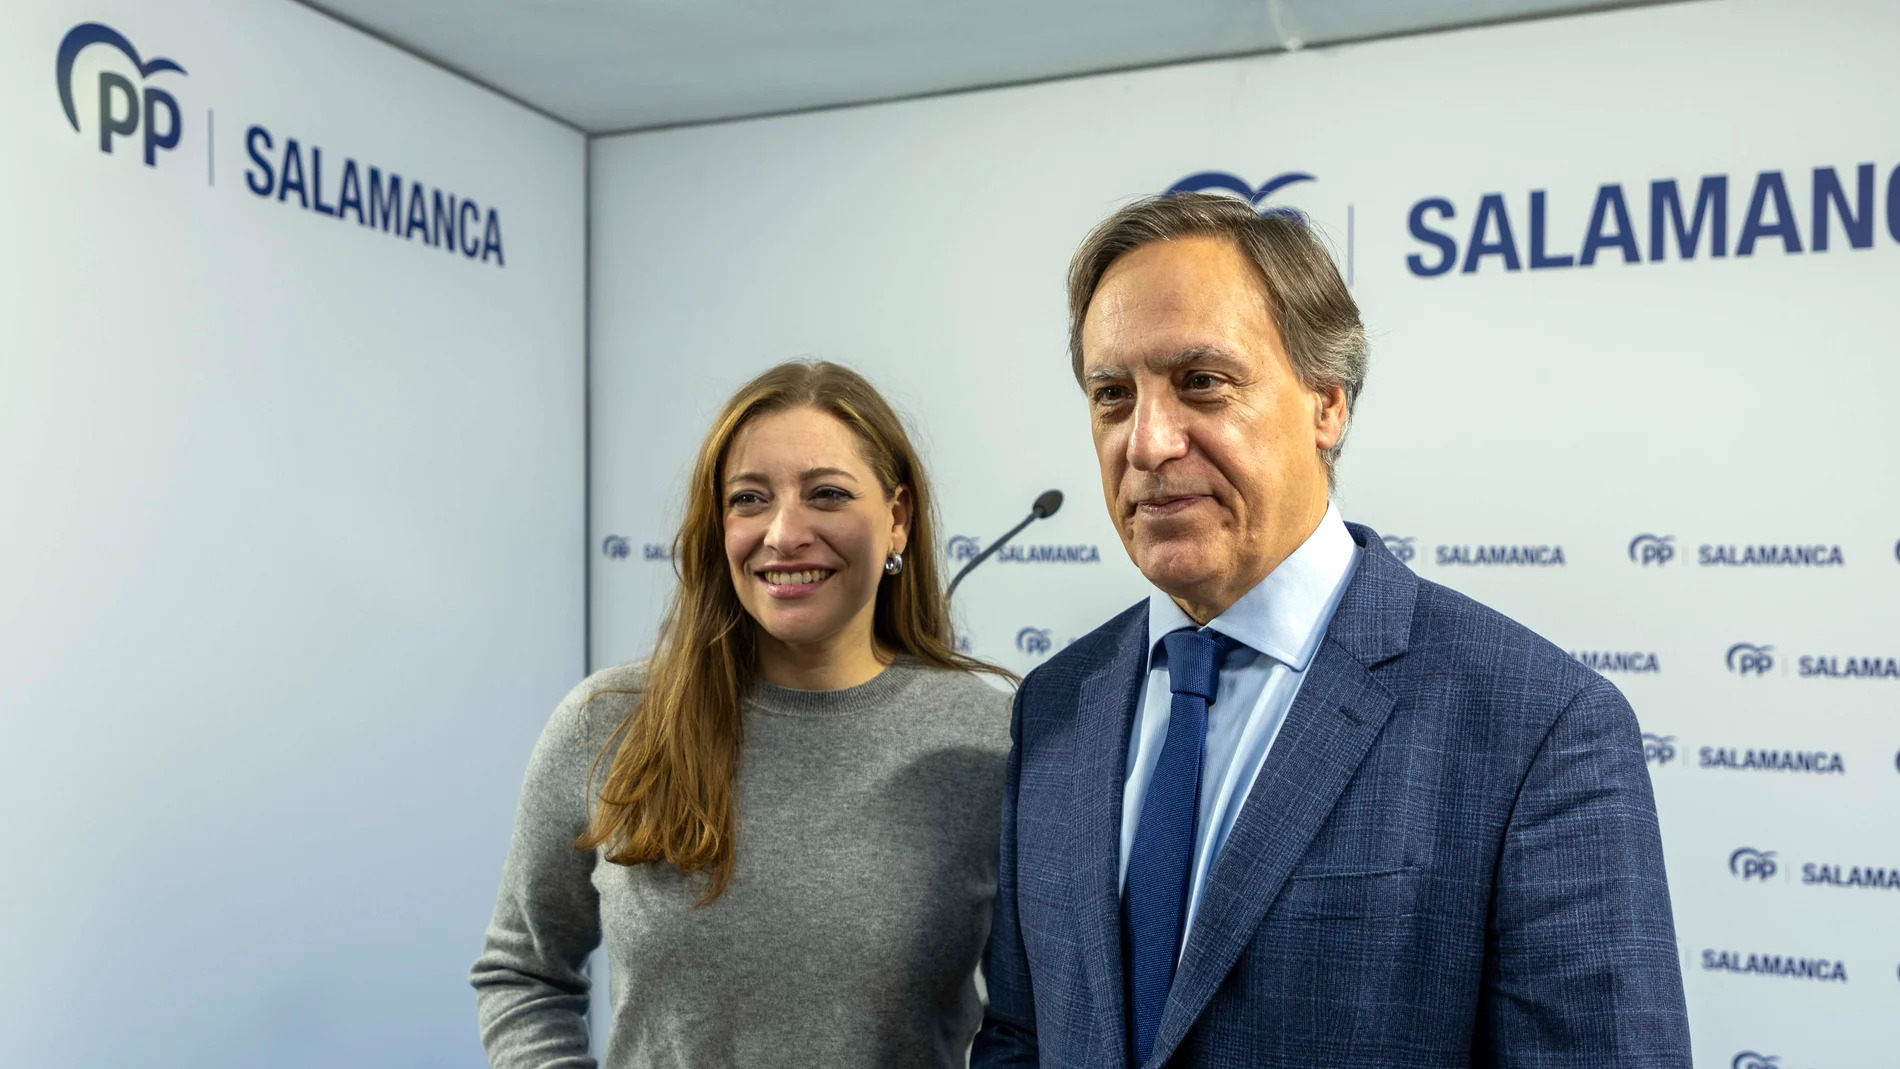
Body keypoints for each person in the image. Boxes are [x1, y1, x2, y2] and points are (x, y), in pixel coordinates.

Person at [972, 194, 1691, 1068]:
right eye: (1113, 396)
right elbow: (1020, 1035)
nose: (1149, 442)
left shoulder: (1539, 724)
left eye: (1202, 381)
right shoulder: (1054, 703)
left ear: (1328, 404)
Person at [472, 360, 1013, 1068]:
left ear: (897, 519)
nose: (784, 532)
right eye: (750, 499)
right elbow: (524, 973)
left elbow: (1037, 1024)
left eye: (826, 494)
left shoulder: (992, 743)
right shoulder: (606, 726)